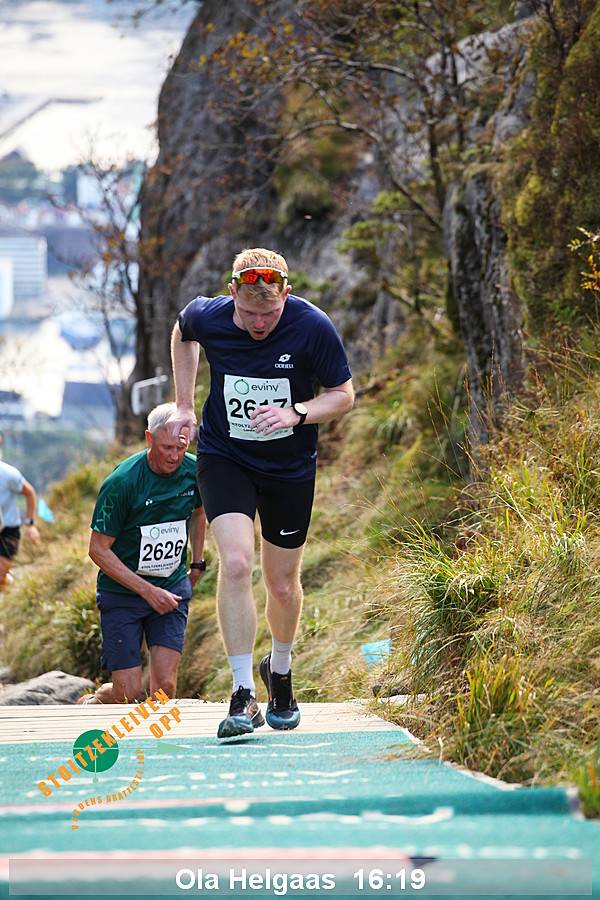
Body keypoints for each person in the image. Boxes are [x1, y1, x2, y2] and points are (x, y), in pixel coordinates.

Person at [168, 247, 354, 738]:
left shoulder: (312, 326)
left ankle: (281, 670)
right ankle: (242, 692)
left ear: (286, 295)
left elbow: (343, 395)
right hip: (225, 455)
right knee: (234, 564)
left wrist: (296, 413)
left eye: (269, 314)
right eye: (249, 312)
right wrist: (184, 404)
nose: (258, 324)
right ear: (232, 293)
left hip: (288, 468)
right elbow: (183, 330)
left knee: (281, 584)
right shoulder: (209, 315)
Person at [84, 402, 206, 704]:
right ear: (149, 439)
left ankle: (148, 735)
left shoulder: (195, 471)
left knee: (164, 690)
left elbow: (199, 512)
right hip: (122, 593)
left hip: (171, 589)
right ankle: (94, 701)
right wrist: (148, 591)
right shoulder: (122, 483)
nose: (174, 456)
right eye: (167, 447)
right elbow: (98, 550)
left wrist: (196, 564)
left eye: (181, 447)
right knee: (127, 694)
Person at [0, 434, 40, 590]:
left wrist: (29, 524)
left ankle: (8, 579)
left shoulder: (9, 474)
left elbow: (29, 493)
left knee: (0, 577)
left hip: (8, 530)